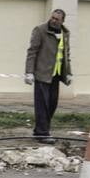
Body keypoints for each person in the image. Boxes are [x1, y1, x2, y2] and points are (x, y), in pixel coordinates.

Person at [25, 8, 73, 140]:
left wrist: (68, 73)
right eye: (52, 17)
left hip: (56, 75)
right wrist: (29, 72)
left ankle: (40, 130)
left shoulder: (65, 33)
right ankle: (42, 133)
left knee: (52, 104)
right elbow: (32, 52)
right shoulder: (40, 30)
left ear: (62, 21)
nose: (53, 20)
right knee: (42, 105)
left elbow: (66, 55)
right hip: (42, 74)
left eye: (57, 19)